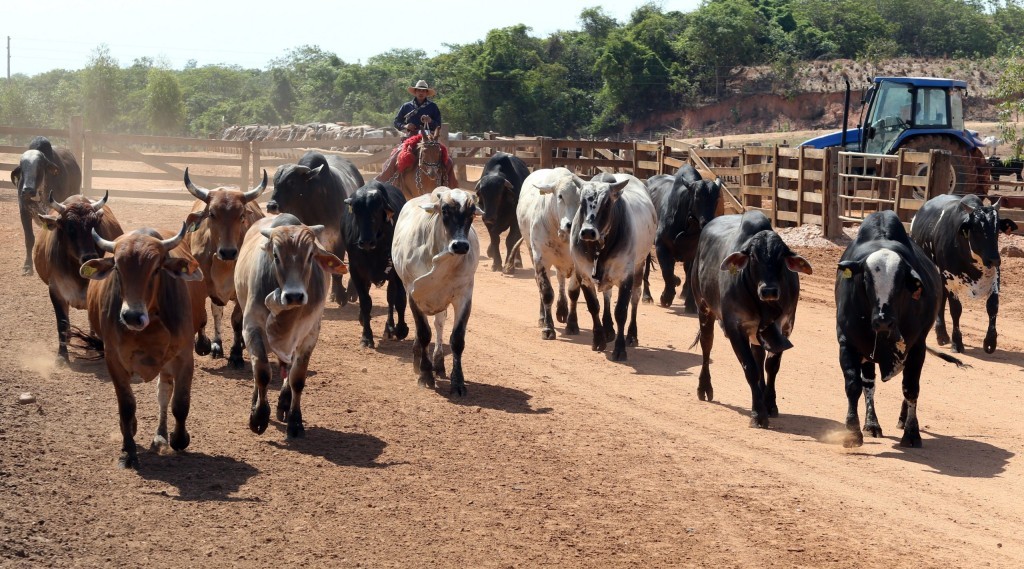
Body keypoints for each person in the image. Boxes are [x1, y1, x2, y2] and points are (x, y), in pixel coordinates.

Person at [376, 80, 457, 188]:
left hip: (430, 139)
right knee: (396, 156)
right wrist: (405, 126)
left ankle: (451, 188)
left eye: (423, 91)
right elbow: (396, 122)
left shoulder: (433, 107)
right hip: (411, 138)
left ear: (427, 93)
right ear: (415, 92)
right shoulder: (406, 106)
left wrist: (430, 121)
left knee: (448, 161)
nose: (421, 92)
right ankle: (382, 182)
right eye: (419, 90)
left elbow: (438, 125)